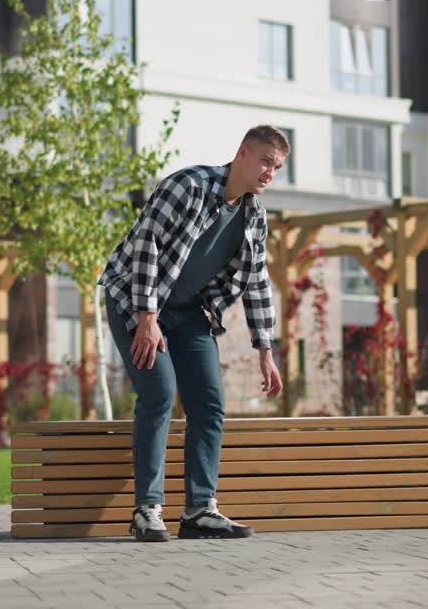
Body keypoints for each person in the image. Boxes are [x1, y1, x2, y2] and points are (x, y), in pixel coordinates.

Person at [98, 125, 287, 542]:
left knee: (209, 401)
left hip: (188, 313)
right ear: (242, 153)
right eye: (264, 162)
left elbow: (257, 279)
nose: (269, 173)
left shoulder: (254, 214)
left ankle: (200, 510)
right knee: (160, 392)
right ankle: (147, 510)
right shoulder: (188, 186)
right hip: (134, 298)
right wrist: (147, 316)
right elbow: (146, 244)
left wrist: (265, 348)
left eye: (276, 168)